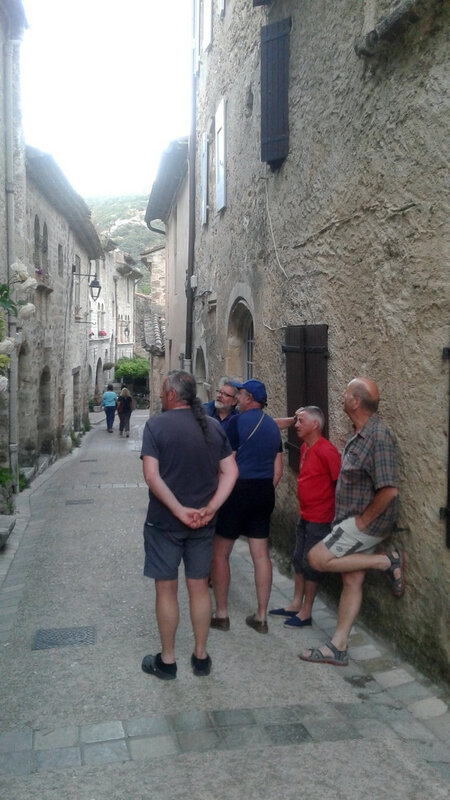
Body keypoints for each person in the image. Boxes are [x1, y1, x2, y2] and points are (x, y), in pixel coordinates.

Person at [140, 370, 238, 680]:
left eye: (161, 391)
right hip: (203, 524)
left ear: (171, 394)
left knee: (166, 590)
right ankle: (201, 657)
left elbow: (152, 476)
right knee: (198, 589)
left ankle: (167, 661)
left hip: (163, 524)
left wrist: (179, 510)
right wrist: (210, 508)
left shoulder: (155, 427)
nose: (159, 396)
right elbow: (231, 472)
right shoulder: (212, 427)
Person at [300, 377, 404, 667]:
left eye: (346, 392)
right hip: (350, 520)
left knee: (316, 558)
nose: (342, 395)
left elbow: (389, 490)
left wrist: (361, 522)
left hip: (364, 524)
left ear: (356, 402)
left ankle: (387, 562)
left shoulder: (377, 436)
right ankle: (338, 647)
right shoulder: (358, 433)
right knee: (352, 578)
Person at [210, 379, 283, 634]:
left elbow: (225, 462)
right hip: (263, 490)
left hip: (238, 489)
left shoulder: (235, 423)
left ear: (249, 398)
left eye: (240, 394)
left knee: (220, 552)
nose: (238, 398)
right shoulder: (273, 426)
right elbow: (277, 467)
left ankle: (221, 614)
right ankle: (261, 616)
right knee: (260, 554)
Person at [269, 406, 341, 628]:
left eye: (301, 421)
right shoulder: (305, 447)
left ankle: (307, 611)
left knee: (311, 564)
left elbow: (338, 483)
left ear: (315, 425)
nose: (296, 425)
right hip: (306, 514)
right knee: (298, 558)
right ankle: (295, 603)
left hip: (320, 518)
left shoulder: (326, 451)